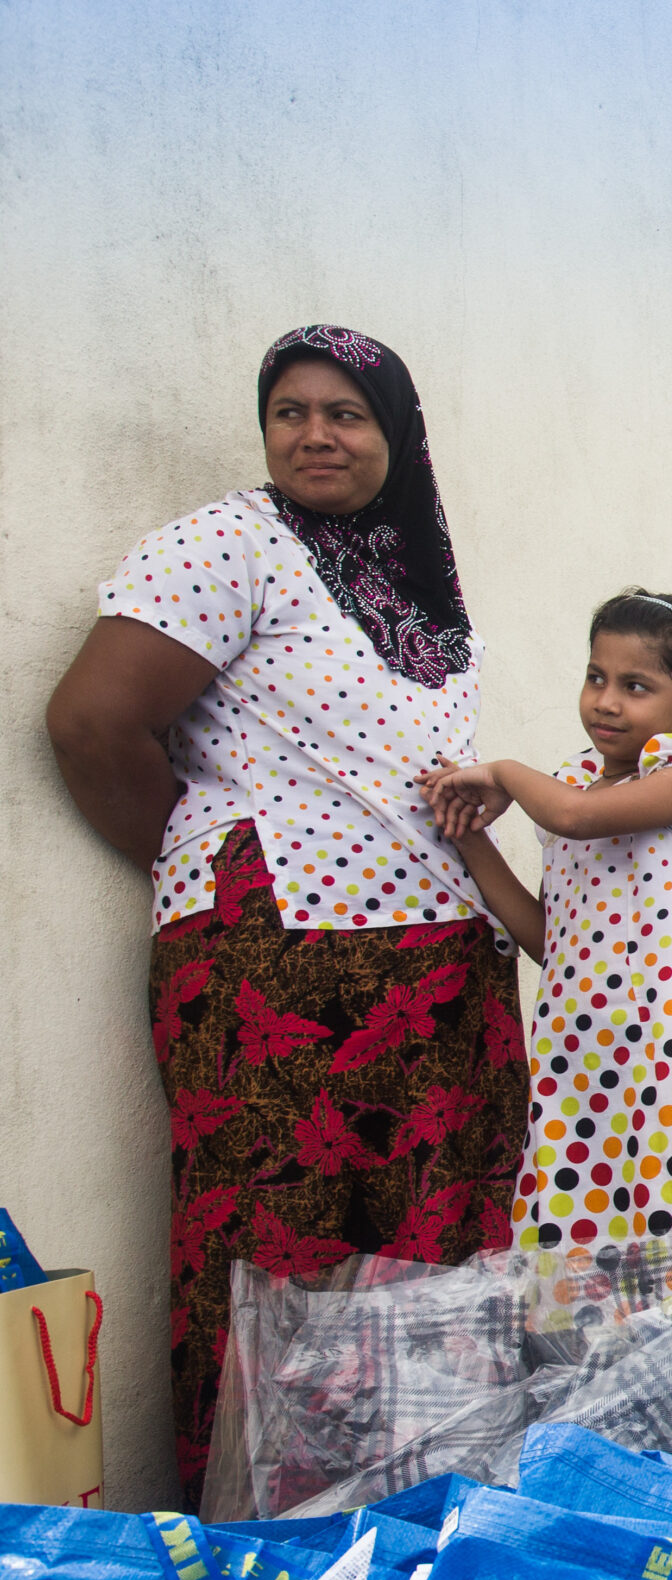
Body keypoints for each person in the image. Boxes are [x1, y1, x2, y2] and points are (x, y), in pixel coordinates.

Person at [45, 324, 527, 1502]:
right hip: (275, 966)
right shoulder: (228, 543)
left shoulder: (420, 582)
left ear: (396, 433)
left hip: (439, 965)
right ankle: (265, 1532)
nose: (316, 434)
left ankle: (425, 1514)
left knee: (436, 1251)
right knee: (273, 1250)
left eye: (346, 413)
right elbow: (92, 723)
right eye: (289, 412)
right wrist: (210, 864)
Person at [420, 589, 672, 1324]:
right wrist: (469, 836)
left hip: (658, 1048)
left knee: (657, 1205)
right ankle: (582, 1359)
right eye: (596, 677)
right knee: (573, 1207)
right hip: (573, 1049)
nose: (605, 701)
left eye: (635, 686)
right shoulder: (572, 781)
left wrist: (502, 772)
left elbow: (574, 818)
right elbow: (549, 938)